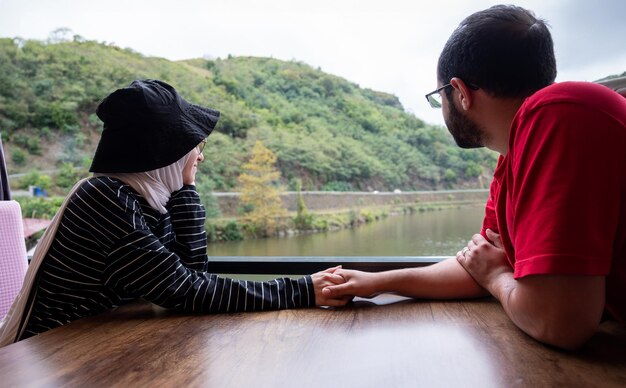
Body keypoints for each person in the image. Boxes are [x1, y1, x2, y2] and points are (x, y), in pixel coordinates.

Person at [323, 4, 626, 350]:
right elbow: (475, 263)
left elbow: (559, 321)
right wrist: (376, 282)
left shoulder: (560, 116)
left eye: (441, 98)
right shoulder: (513, 157)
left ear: (460, 92)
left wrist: (497, 277)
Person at [0, 79, 348, 346]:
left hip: (96, 343)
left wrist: (185, 191)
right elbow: (185, 291)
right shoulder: (105, 199)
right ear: (166, 149)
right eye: (195, 145)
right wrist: (301, 289)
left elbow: (191, 275)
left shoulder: (147, 198)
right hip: (46, 355)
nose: (200, 155)